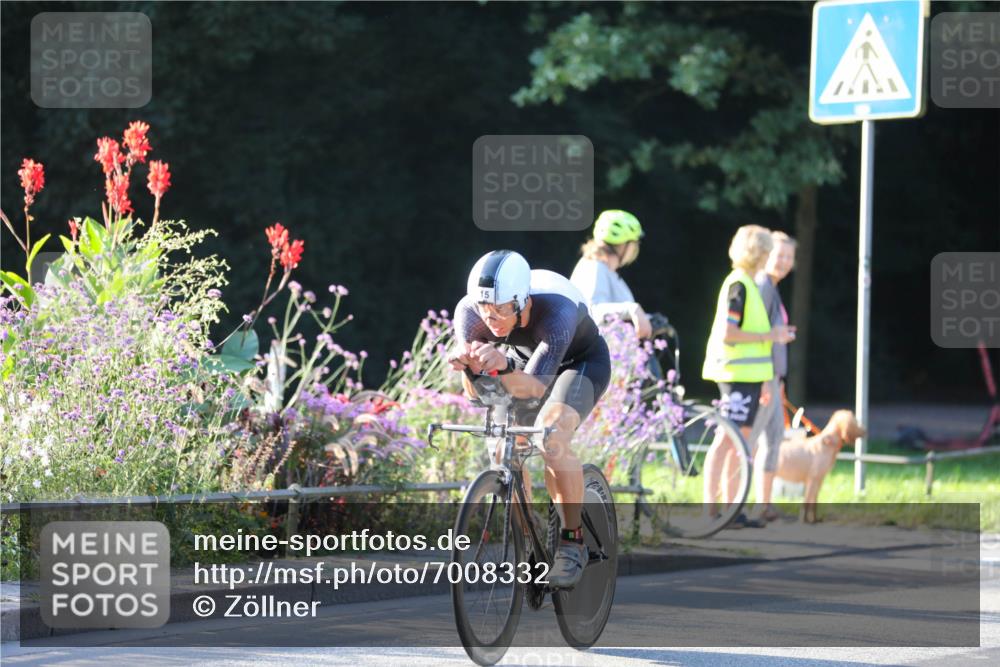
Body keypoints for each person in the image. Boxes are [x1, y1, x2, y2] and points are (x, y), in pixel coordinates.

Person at [450, 250, 612, 588]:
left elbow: (535, 389)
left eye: (502, 309)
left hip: (579, 363)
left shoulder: (556, 311)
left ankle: (572, 542)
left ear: (523, 302)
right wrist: (470, 369)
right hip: (524, 362)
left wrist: (502, 367)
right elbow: (477, 395)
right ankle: (530, 536)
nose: (492, 319)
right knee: (501, 448)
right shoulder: (469, 313)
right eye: (486, 309)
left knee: (551, 436)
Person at [701, 225, 795, 528]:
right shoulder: (739, 285)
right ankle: (712, 510)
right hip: (735, 374)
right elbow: (729, 333)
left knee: (741, 444)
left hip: (751, 376)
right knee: (727, 441)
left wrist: (766, 379)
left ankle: (732, 511)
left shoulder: (750, 285)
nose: (771, 257)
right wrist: (772, 335)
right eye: (768, 250)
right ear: (758, 253)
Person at [752, 231, 797, 522]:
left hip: (773, 377)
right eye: (779, 255)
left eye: (789, 257)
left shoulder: (772, 287)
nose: (783, 261)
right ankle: (731, 506)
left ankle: (764, 505)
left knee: (773, 438)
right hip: (763, 377)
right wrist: (767, 381)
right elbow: (759, 335)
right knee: (751, 441)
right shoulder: (763, 287)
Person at [569, 209, 652, 339]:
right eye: (635, 243)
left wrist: (649, 319)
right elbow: (592, 311)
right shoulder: (594, 267)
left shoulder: (608, 272)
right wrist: (631, 309)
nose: (636, 249)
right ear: (624, 245)